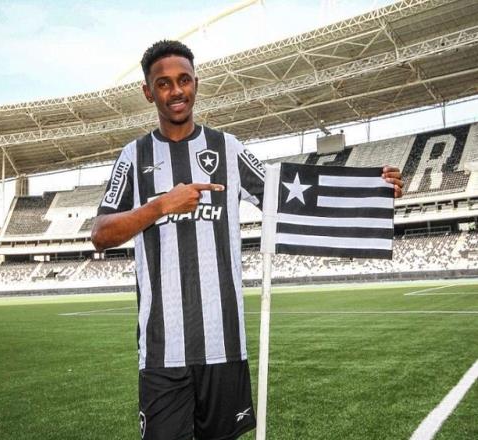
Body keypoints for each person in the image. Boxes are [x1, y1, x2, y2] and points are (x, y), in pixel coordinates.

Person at [91, 40, 404, 440]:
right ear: (148, 92)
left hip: (224, 345)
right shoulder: (133, 156)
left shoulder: (227, 148)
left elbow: (287, 195)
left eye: (184, 80)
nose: (176, 91)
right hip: (161, 351)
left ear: (196, 83)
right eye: (164, 83)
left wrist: (372, 189)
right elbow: (100, 234)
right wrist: (160, 206)